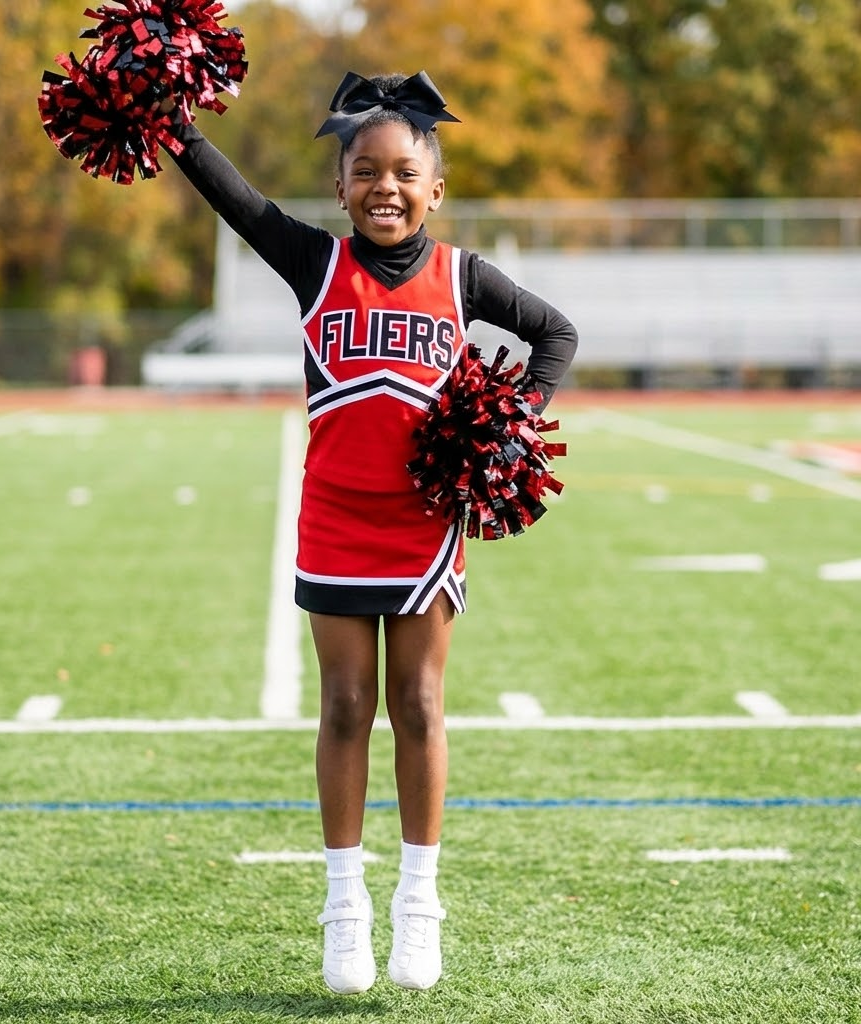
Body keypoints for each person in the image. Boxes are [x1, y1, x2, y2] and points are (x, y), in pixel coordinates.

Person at [163, 70, 578, 994]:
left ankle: (419, 903)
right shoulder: (314, 263)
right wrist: (170, 125)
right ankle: (344, 904)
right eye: (364, 171)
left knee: (420, 706)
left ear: (435, 189)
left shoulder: (463, 277)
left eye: (404, 173)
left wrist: (513, 418)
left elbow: (556, 333)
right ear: (342, 185)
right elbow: (237, 201)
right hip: (336, 520)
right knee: (347, 707)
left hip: (425, 527)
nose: (384, 187)